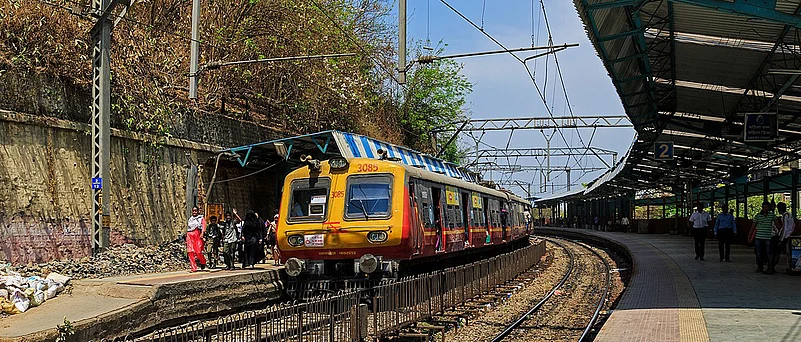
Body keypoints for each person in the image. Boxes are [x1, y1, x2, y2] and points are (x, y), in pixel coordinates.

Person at [749, 202, 781, 274]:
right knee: (759, 253)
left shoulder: (772, 216)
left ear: (769, 208)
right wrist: (750, 236)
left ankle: (770, 267)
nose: (764, 209)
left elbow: (778, 225)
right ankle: (760, 266)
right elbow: (753, 227)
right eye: (763, 207)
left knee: (769, 253)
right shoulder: (757, 216)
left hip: (768, 237)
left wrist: (781, 233)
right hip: (758, 237)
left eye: (766, 207)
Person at [771, 202, 795, 272]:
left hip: (785, 236)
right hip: (788, 235)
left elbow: (785, 228)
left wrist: (781, 239)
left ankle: (772, 266)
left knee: (776, 252)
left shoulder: (785, 216)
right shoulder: (789, 215)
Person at [186, 206, 207, 272]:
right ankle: (193, 268)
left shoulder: (201, 218)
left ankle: (203, 262)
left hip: (197, 235)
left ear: (198, 211)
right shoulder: (190, 219)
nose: (194, 212)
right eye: (193, 211)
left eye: (196, 211)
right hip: (190, 235)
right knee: (190, 252)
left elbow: (204, 226)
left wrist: (202, 233)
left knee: (198, 251)